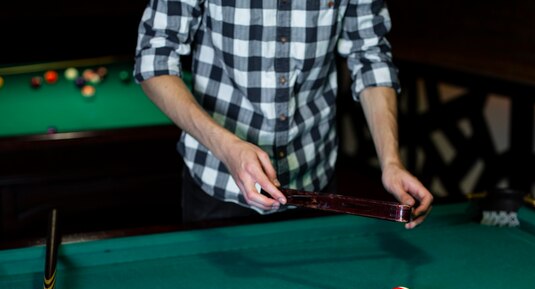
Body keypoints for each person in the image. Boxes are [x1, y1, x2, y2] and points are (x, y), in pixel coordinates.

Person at [134, 0, 433, 229]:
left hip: (314, 181)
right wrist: (227, 148)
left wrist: (391, 162)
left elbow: (371, 58)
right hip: (217, 183)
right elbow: (154, 60)